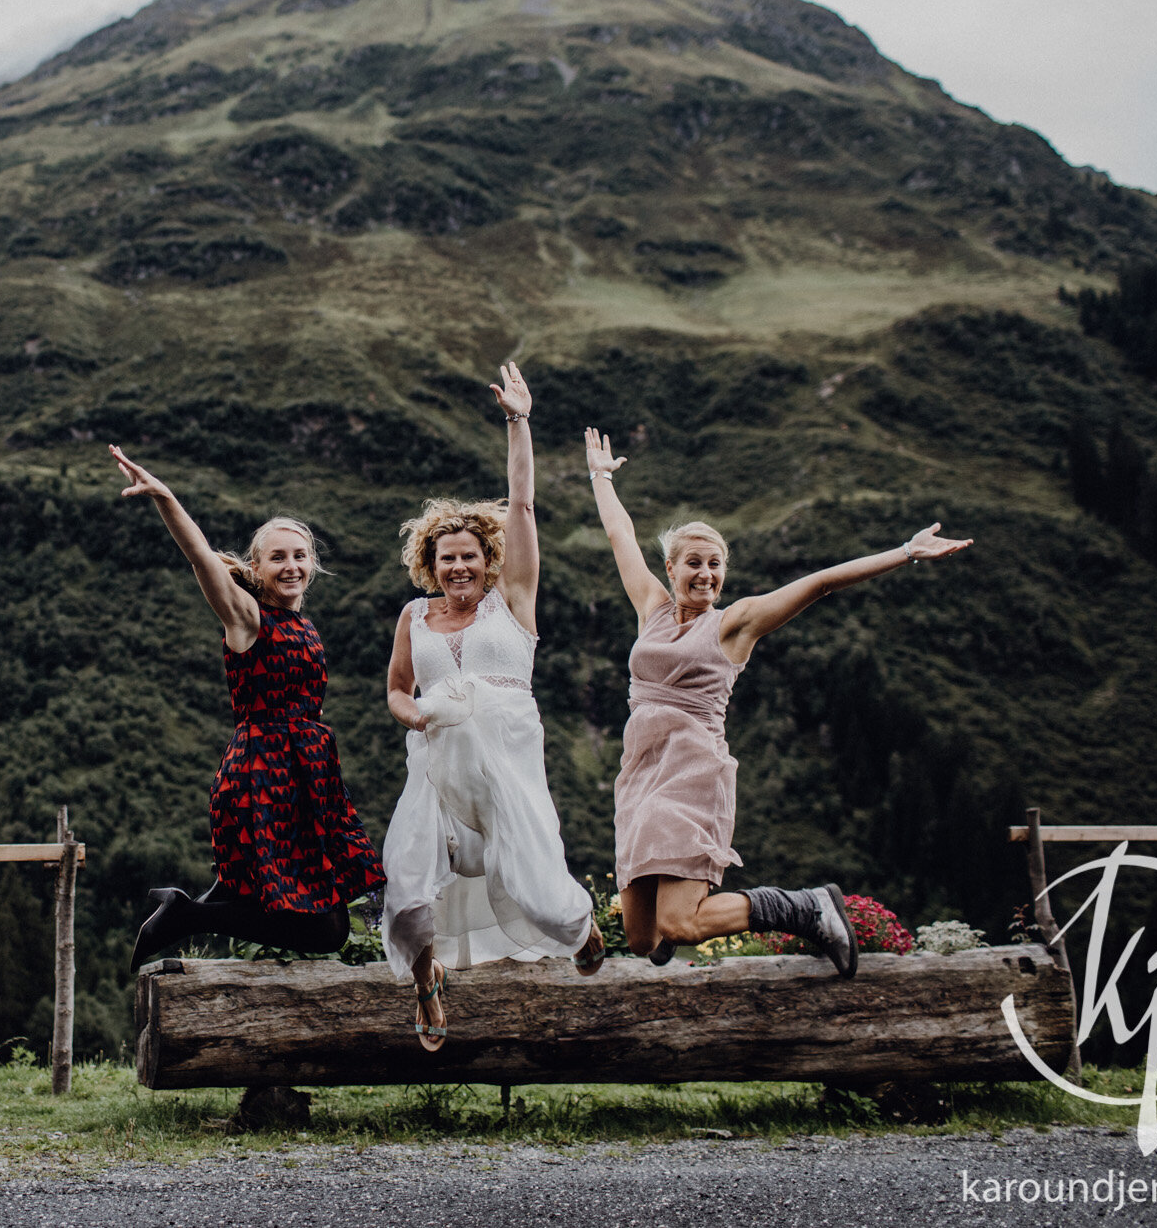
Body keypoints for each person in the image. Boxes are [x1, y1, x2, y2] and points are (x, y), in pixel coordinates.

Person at [582, 426, 972, 977]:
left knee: (680, 927)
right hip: (639, 778)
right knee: (643, 937)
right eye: (694, 563)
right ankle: (686, 914)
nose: (706, 574)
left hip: (689, 777)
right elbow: (620, 536)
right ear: (671, 569)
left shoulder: (734, 624)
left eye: (715, 564)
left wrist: (905, 552)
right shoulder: (653, 609)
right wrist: (600, 477)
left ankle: (806, 907)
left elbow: (820, 585)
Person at [382, 364, 605, 1052]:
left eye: (470, 557)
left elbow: (524, 507)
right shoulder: (414, 617)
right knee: (411, 889)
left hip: (505, 765)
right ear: (430, 561)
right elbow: (394, 687)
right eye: (446, 558)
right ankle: (427, 980)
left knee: (536, 891)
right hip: (438, 766)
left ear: (488, 560)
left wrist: (518, 421)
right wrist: (413, 714)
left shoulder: (514, 606)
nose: (458, 569)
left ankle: (582, 927)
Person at [111, 445, 385, 966]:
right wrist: (166, 497)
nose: (291, 566)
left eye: (299, 556)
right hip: (263, 776)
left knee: (319, 919)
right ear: (256, 568)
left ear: (312, 564)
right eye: (277, 557)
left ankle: (195, 908)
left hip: (304, 776)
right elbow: (199, 556)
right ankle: (185, 914)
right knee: (325, 929)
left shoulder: (303, 624)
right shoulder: (248, 618)